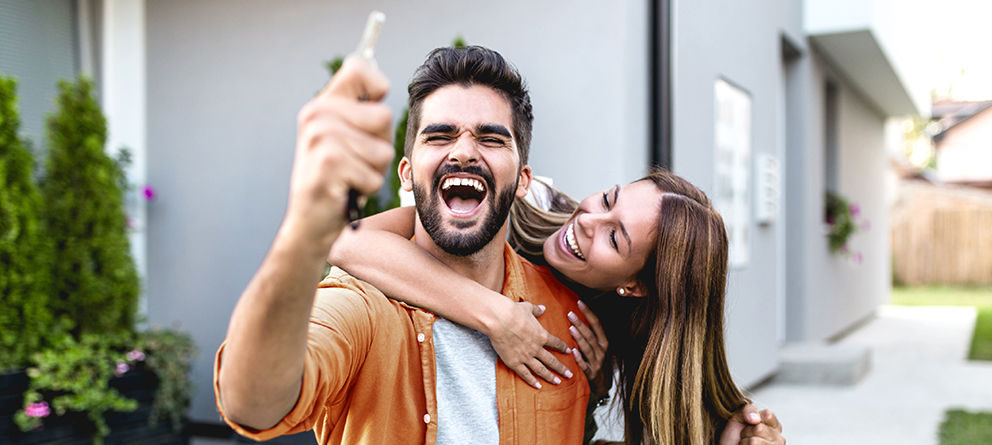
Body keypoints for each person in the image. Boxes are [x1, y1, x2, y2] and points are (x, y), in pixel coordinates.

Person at [216, 46, 595, 444]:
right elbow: (251, 405)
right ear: (408, 175)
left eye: (490, 139)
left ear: (522, 179)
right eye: (440, 135)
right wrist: (303, 229)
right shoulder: (362, 304)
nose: (464, 152)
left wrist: (599, 385)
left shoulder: (569, 314)